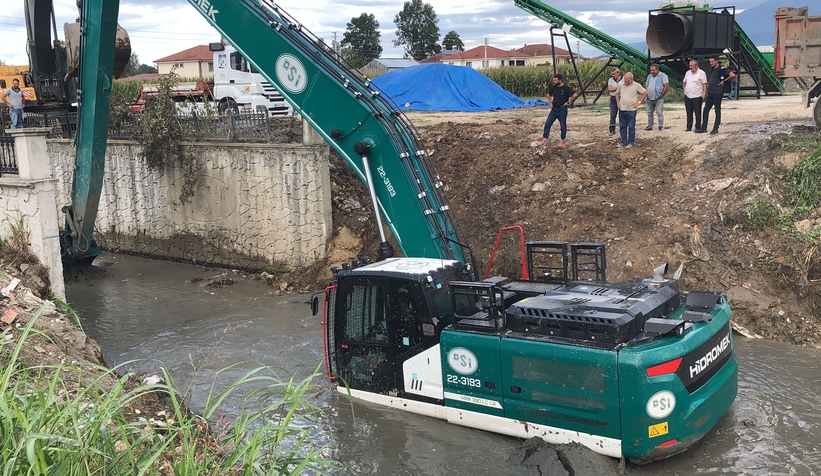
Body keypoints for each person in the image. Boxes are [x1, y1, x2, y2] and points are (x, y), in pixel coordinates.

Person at [697, 56, 735, 135]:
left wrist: (724, 81)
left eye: (712, 61)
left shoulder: (722, 69)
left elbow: (732, 75)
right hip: (711, 92)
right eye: (710, 62)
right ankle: (704, 127)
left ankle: (716, 128)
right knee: (706, 110)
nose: (711, 63)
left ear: (716, 61)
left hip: (718, 92)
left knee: (717, 110)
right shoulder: (713, 69)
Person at [541, 73, 578, 148]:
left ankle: (562, 140)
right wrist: (550, 102)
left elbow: (575, 95)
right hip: (554, 110)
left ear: (560, 80)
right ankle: (545, 138)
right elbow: (548, 94)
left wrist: (569, 102)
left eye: (555, 80)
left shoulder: (566, 88)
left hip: (562, 110)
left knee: (563, 125)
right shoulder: (554, 88)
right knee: (548, 123)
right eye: (554, 80)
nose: (554, 81)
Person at [615, 72, 647, 149]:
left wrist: (639, 102)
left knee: (631, 127)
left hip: (631, 110)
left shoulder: (636, 85)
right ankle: (623, 142)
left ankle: (631, 142)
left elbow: (645, 93)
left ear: (631, 79)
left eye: (626, 79)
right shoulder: (622, 85)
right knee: (622, 127)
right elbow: (616, 93)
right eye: (624, 78)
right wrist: (618, 102)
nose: (625, 80)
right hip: (622, 109)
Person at [683, 59, 707, 132]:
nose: (690, 67)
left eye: (692, 65)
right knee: (688, 112)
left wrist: (704, 93)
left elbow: (704, 84)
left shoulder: (702, 73)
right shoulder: (687, 73)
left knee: (697, 112)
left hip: (697, 95)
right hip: (688, 95)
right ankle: (689, 126)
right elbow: (684, 82)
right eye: (690, 65)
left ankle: (698, 127)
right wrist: (684, 91)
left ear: (696, 66)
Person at [643, 64, 669, 131]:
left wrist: (662, 95)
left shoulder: (663, 76)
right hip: (649, 97)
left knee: (659, 112)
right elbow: (647, 85)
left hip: (658, 98)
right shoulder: (649, 76)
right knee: (649, 112)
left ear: (657, 70)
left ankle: (660, 126)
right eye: (651, 70)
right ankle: (650, 126)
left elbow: (666, 86)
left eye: (653, 70)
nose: (652, 72)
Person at [607, 68, 623, 136]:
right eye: (612, 74)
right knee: (613, 114)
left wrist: (614, 88)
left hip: (622, 98)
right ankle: (612, 130)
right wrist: (619, 87)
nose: (613, 75)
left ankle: (622, 129)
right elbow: (610, 89)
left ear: (618, 73)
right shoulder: (610, 80)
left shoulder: (624, 79)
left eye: (614, 74)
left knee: (622, 114)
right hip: (613, 98)